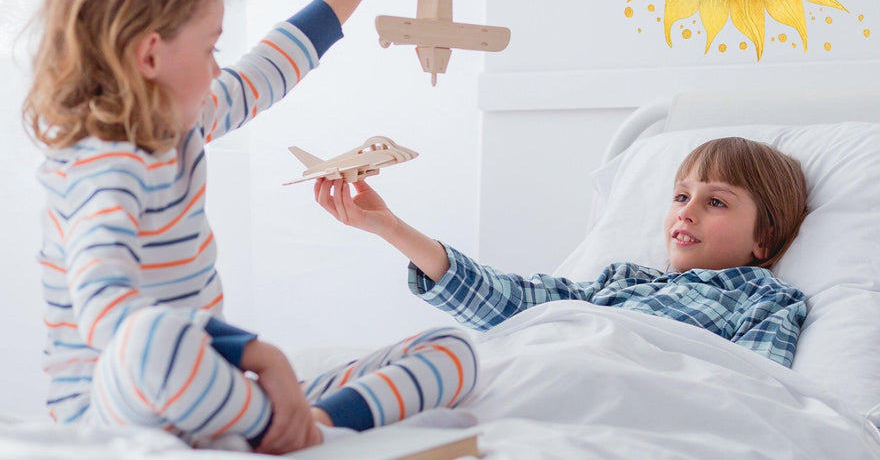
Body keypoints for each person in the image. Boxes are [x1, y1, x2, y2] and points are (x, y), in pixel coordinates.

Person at [23, 0, 478, 454]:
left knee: (453, 351)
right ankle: (286, 427)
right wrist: (255, 355)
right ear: (151, 57)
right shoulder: (103, 169)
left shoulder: (182, 123)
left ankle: (299, 424)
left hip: (207, 392)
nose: (220, 66)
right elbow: (107, 311)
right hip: (115, 407)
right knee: (150, 343)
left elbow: (268, 70)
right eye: (210, 48)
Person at [313, 136, 811, 368]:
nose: (686, 211)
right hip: (540, 364)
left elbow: (760, 395)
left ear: (763, 240)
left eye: (715, 201)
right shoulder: (622, 281)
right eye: (680, 196)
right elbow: (509, 300)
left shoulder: (764, 299)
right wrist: (392, 228)